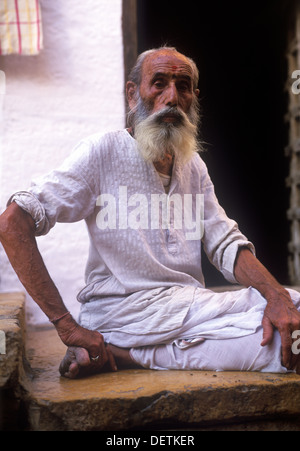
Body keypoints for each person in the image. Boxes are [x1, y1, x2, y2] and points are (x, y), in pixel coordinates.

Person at [1, 46, 300, 378]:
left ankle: (128, 356)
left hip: (185, 309)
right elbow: (13, 223)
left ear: (193, 98)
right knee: (282, 339)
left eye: (182, 86)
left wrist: (275, 297)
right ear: (133, 94)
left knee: (289, 317)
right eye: (159, 83)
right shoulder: (103, 151)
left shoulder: (193, 166)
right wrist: (67, 327)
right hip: (121, 315)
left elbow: (225, 243)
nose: (171, 96)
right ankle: (125, 349)